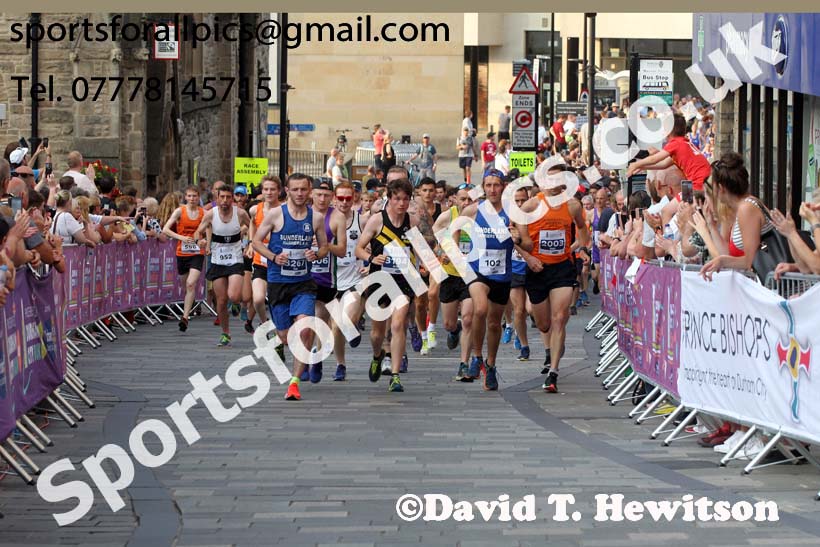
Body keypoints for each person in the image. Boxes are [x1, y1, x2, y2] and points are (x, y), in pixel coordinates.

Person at [252, 173, 329, 401]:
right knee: (285, 336)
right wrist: (274, 257)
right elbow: (256, 242)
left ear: (309, 191)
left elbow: (325, 247)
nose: (300, 194)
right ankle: (293, 348)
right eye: (295, 189)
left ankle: (294, 383)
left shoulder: (315, 218)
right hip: (278, 283)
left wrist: (316, 254)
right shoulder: (276, 214)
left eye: (304, 189)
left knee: (304, 328)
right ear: (287, 190)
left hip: (303, 283)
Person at [520, 163, 590, 393]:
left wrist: (579, 246)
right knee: (544, 324)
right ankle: (553, 347)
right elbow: (515, 234)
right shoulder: (532, 205)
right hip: (538, 269)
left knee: (560, 317)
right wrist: (528, 256)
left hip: (562, 268)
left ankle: (553, 372)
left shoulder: (572, 205)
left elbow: (582, 229)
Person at [460, 169, 532, 390]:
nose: (492, 189)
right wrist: (458, 254)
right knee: (480, 309)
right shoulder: (473, 210)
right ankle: (476, 356)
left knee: (493, 322)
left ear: (503, 187)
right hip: (477, 271)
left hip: (501, 274)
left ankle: (490, 364)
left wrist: (518, 238)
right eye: (488, 185)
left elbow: (528, 244)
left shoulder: (513, 213)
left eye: (496, 185)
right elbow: (452, 233)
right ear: (483, 187)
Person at [355, 177, 420, 393]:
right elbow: (358, 249)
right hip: (380, 279)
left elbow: (421, 250)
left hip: (403, 280)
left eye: (405, 199)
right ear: (389, 199)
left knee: (398, 324)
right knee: (377, 334)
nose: (401, 203)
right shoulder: (377, 220)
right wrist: (371, 258)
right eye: (397, 199)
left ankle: (395, 375)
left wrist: (431, 266)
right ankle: (377, 355)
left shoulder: (412, 221)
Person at [699, 153, 774, 280]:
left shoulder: (746, 208)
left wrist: (722, 261)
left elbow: (750, 261)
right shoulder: (745, 206)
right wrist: (711, 225)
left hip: (771, 284)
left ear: (721, 188)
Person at [193, 185, 251, 347]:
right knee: (221, 300)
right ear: (217, 198)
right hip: (218, 260)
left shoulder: (240, 213)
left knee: (234, 295)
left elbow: (253, 225)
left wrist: (250, 243)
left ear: (233, 199)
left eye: (228, 197)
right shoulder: (211, 214)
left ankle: (236, 303)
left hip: (235, 259)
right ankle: (225, 333)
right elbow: (198, 231)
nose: (225, 200)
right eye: (222, 197)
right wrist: (199, 240)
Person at [306, 177, 348, 382]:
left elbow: (342, 250)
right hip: (304, 276)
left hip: (327, 278)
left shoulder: (337, 217)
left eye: (326, 195)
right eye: (318, 194)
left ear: (332, 196)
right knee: (309, 318)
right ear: (311, 194)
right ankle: (308, 360)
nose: (322, 199)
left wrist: (325, 245)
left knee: (325, 320)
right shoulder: (302, 214)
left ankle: (321, 356)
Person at [432, 183, 475, 379]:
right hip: (450, 274)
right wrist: (442, 251)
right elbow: (435, 239)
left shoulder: (479, 216)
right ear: (455, 199)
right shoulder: (447, 216)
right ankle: (453, 330)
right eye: (463, 199)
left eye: (470, 199)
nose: (466, 202)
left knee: (468, 319)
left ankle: (464, 364)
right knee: (449, 323)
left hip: (471, 275)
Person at [330, 181, 366, 381]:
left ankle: (353, 327)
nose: (344, 202)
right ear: (334, 198)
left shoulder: (361, 220)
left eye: (348, 198)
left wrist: (370, 263)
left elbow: (375, 244)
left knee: (346, 320)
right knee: (336, 327)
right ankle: (340, 364)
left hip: (355, 279)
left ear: (354, 199)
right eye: (340, 198)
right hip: (330, 280)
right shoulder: (324, 220)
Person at [626, 113, 711, 189]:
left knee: (675, 202)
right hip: (702, 179)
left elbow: (654, 159)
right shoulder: (683, 143)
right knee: (679, 200)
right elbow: (664, 164)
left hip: (698, 181)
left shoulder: (676, 143)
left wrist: (635, 164)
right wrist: (642, 167)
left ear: (669, 131)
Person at [163, 186, 207, 332]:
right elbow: (165, 229)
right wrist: (181, 238)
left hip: (197, 253)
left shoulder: (204, 213)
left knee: (190, 283)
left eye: (194, 196)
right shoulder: (179, 211)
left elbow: (210, 229)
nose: (192, 199)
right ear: (185, 197)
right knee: (185, 285)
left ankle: (185, 317)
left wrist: (206, 242)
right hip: (182, 252)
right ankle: (190, 301)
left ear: (198, 197)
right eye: (189, 196)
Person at [245, 176, 281, 333]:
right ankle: (265, 323)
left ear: (279, 191)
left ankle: (279, 328)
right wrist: (251, 243)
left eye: (273, 189)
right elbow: (252, 223)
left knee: (276, 300)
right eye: (266, 189)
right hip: (260, 261)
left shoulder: (284, 210)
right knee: (258, 298)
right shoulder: (255, 209)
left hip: (279, 261)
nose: (269, 192)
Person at [412, 177, 442, 355]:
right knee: (419, 302)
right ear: (419, 192)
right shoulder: (413, 210)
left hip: (436, 256)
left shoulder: (441, 210)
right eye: (424, 190)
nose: (428, 194)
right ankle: (423, 337)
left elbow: (442, 236)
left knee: (433, 293)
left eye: (431, 190)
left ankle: (431, 328)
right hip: (416, 257)